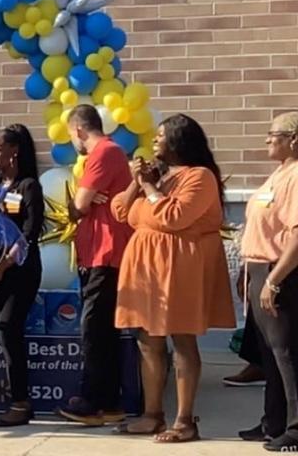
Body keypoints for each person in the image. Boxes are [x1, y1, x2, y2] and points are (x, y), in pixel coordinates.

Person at [110, 114, 235, 442]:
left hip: (180, 267)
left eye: (161, 136)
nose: (154, 141)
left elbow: (174, 217)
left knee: (181, 339)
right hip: (147, 268)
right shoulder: (161, 177)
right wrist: (138, 181)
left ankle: (184, 421)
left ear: (179, 141)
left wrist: (150, 186)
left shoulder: (200, 177)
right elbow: (121, 211)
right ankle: (152, 415)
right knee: (147, 339)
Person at [57, 104, 134, 426]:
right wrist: (85, 201)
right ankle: (111, 402)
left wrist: (81, 202)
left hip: (105, 254)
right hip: (98, 252)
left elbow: (77, 207)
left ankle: (91, 402)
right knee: (103, 330)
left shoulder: (103, 152)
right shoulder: (110, 153)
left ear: (78, 130)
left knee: (94, 330)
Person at [0, 124, 45, 427]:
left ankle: (20, 402)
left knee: (9, 325)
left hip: (20, 271)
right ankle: (19, 400)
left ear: (14, 152)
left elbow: (29, 233)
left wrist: (3, 266)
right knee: (6, 335)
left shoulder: (29, 186)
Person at [238, 112, 298, 450]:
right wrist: (247, 272)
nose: (266, 140)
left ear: (294, 139)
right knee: (269, 355)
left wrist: (274, 281)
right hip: (260, 268)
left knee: (286, 352)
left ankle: (295, 429)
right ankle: (272, 422)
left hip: (283, 274)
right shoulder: (279, 174)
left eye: (273, 134)